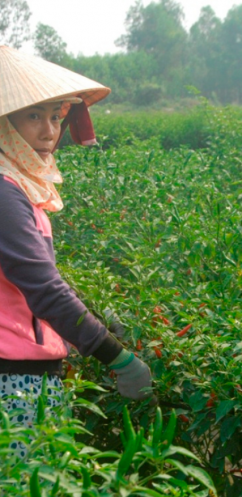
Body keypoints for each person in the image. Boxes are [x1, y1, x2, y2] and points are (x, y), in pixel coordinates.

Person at [0, 45, 152, 456]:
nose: (49, 131)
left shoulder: (18, 187)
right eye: (33, 116)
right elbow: (43, 288)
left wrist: (96, 321)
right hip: (11, 377)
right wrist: (115, 356)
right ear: (4, 124)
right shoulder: (4, 193)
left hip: (28, 369)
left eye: (54, 116)